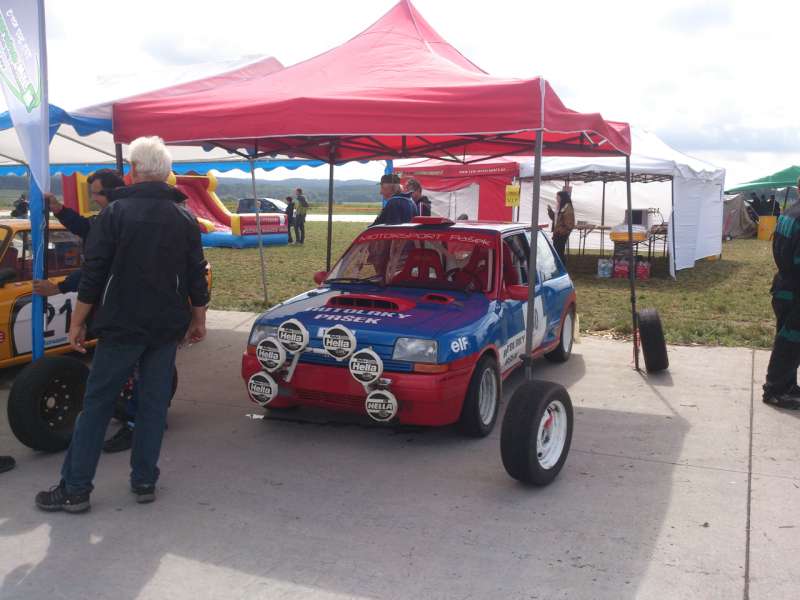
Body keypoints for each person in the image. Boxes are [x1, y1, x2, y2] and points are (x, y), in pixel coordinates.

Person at [35, 136, 209, 513]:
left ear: (133, 170)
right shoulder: (184, 217)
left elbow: (94, 273)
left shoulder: (115, 214)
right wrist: (199, 317)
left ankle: (75, 489)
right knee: (153, 404)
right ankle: (144, 480)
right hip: (166, 326)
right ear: (165, 173)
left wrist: (78, 321)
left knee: (97, 404)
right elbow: (196, 271)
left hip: (121, 324)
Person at [34, 169, 126, 297]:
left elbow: (98, 266)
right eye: (92, 194)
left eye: (98, 194)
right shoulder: (111, 216)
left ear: (116, 191)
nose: (93, 199)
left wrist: (60, 287)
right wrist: (59, 209)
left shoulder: (121, 221)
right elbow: (86, 226)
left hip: (115, 296)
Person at [762, 177, 800, 410]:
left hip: (784, 285)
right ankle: (774, 390)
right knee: (790, 341)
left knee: (790, 340)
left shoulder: (789, 212)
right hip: (795, 289)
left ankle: (787, 384)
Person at [548, 190, 575, 263]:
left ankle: (562, 266)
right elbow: (555, 219)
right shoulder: (560, 206)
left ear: (562, 197)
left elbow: (569, 224)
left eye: (558, 197)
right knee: (557, 252)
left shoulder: (567, 207)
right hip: (557, 233)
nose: (556, 198)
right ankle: (559, 265)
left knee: (559, 252)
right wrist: (550, 211)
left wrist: (561, 231)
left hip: (561, 234)